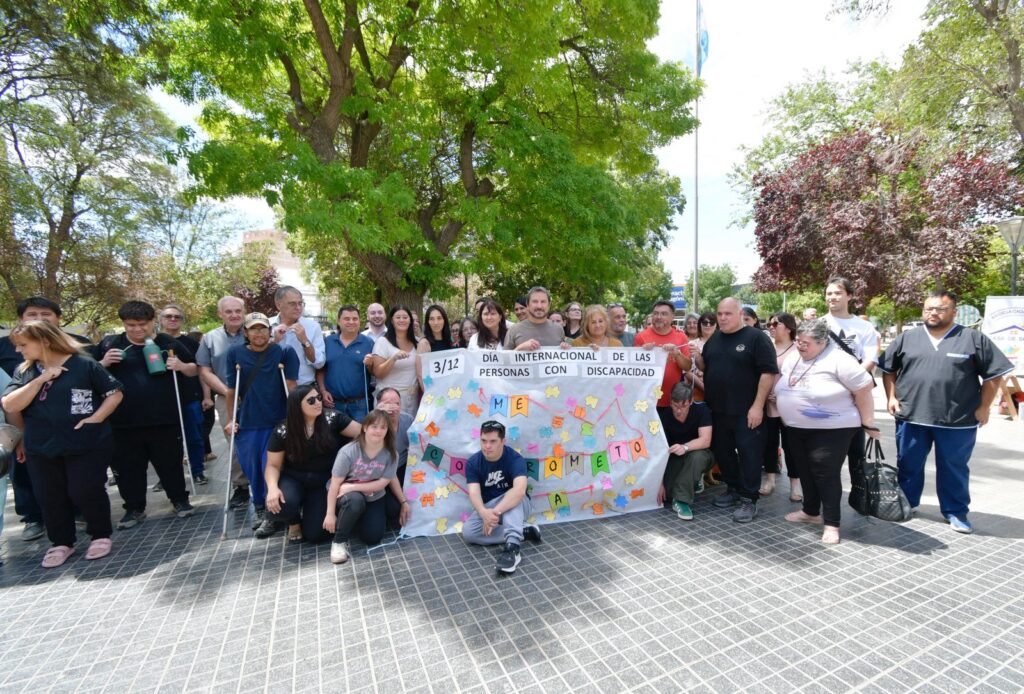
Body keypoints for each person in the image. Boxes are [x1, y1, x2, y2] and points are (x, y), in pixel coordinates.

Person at [877, 290, 1013, 534]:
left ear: (953, 311)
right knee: (908, 464)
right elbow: (888, 369)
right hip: (912, 415)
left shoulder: (972, 338)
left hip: (958, 419)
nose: (933, 313)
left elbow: (994, 375)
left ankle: (956, 512)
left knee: (954, 467)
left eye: (940, 309)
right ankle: (908, 503)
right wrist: (891, 397)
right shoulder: (908, 338)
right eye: (928, 309)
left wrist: (984, 407)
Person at [2, 322, 123, 567]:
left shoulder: (83, 364)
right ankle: (61, 542)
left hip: (85, 442)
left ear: (44, 340)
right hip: (41, 446)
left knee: (85, 489)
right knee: (49, 495)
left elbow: (115, 393)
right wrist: (41, 379)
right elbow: (10, 405)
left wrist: (96, 418)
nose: (19, 351)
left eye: (24, 345)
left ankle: (100, 534)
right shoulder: (25, 371)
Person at [93, 301, 197, 528]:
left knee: (170, 463)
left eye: (143, 324)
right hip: (122, 422)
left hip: (164, 418)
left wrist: (180, 365)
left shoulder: (167, 343)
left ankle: (179, 500)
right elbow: (89, 375)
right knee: (128, 467)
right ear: (123, 324)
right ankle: (134, 508)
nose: (138, 330)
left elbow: (193, 369)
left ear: (152, 322)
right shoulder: (111, 344)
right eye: (131, 325)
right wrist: (103, 363)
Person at [774, 319, 878, 544]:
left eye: (806, 343)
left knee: (825, 473)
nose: (800, 346)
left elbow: (863, 390)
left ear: (823, 343)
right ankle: (810, 512)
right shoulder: (794, 357)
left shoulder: (840, 359)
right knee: (805, 470)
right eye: (799, 341)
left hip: (833, 429)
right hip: (796, 427)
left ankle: (832, 523)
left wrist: (869, 422)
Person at [0, 296, 91, 542]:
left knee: (76, 470)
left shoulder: (80, 344)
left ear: (58, 319)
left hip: (70, 420)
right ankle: (33, 518)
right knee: (25, 470)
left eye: (46, 314)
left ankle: (81, 511)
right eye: (32, 314)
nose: (39, 319)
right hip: (22, 420)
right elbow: (8, 398)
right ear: (21, 319)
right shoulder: (5, 347)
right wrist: (18, 436)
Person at [699, 298, 778, 523]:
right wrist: (697, 358)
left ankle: (748, 499)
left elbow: (768, 373)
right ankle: (733, 488)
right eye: (719, 314)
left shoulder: (757, 338)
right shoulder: (715, 338)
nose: (722, 318)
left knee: (749, 455)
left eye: (727, 314)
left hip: (746, 412)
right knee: (724, 453)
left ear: (740, 313)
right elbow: (708, 365)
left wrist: (757, 406)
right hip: (718, 410)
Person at [224, 312, 299, 529]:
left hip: (277, 420)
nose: (259, 333)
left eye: (263, 328)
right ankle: (259, 506)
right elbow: (231, 390)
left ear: (270, 330)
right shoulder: (234, 354)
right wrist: (231, 419)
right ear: (245, 332)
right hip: (248, 421)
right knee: (253, 469)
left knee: (272, 468)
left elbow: (292, 386)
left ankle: (272, 514)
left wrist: (294, 419)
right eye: (253, 328)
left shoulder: (284, 352)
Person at [258, 383, 361, 541]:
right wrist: (272, 488)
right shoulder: (283, 430)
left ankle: (311, 510)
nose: (318, 402)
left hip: (323, 481)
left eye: (318, 398)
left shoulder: (333, 418)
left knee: (316, 536)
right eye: (311, 401)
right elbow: (273, 465)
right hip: (294, 478)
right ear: (297, 407)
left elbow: (363, 433)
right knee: (280, 506)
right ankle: (293, 522)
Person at [462, 420, 541, 573]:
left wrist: (495, 513)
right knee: (469, 532)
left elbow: (519, 490)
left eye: (493, 441)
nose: (487, 446)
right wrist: (484, 513)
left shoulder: (515, 459)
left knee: (512, 498)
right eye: (484, 441)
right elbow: (474, 492)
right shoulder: (473, 462)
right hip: (491, 507)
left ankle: (512, 549)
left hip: (518, 504)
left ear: (503, 441)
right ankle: (524, 531)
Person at [823, 277, 879, 487]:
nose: (832, 297)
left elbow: (871, 359)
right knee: (826, 453)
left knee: (856, 450)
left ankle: (859, 494)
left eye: (837, 293)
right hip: (826, 397)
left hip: (855, 396)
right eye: (829, 293)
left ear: (849, 296)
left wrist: (851, 383)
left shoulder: (863, 327)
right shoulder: (819, 324)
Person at [324, 409, 399, 564]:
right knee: (355, 501)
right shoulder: (348, 451)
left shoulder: (391, 453)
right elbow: (335, 484)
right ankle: (338, 542)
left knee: (373, 537)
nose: (378, 431)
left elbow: (383, 482)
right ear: (365, 427)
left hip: (370, 494)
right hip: (345, 494)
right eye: (374, 426)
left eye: (383, 427)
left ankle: (354, 519)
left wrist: (352, 487)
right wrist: (330, 513)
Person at [197, 296, 250, 509]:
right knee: (235, 443)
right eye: (229, 311)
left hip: (257, 397)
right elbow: (204, 370)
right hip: (225, 397)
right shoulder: (209, 339)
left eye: (238, 310)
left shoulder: (256, 332)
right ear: (220, 314)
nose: (234, 315)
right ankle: (241, 487)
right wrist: (229, 392)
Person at [159, 304, 208, 485]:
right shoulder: (151, 342)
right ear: (161, 319)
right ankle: (168, 476)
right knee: (166, 443)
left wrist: (207, 395)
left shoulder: (191, 344)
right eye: (168, 316)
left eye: (177, 317)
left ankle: (198, 470)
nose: (173, 319)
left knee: (194, 437)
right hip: (162, 401)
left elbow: (202, 370)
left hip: (189, 397)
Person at [656, 381, 714, 521]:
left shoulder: (701, 410)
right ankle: (691, 482)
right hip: (674, 457)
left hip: (700, 453)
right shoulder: (664, 415)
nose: (679, 410)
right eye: (675, 405)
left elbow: (705, 440)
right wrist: (659, 483)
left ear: (691, 401)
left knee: (697, 457)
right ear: (670, 401)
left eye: (684, 406)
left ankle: (682, 501)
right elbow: (658, 451)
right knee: (668, 495)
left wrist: (685, 447)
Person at [634, 300, 692, 428]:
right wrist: (643, 353)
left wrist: (677, 353)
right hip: (647, 400)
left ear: (672, 317)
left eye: (664, 314)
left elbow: (687, 367)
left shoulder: (681, 337)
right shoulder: (641, 337)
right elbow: (634, 371)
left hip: (672, 401)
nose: (659, 317)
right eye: (656, 313)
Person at [762, 312, 801, 500]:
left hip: (789, 406)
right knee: (769, 444)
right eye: (769, 323)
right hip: (766, 405)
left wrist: (781, 395)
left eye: (775, 323)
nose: (771, 326)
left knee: (791, 446)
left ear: (788, 327)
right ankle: (770, 479)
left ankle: (795, 484)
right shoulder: (766, 347)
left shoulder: (798, 350)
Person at [317, 305, 375, 422]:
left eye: (355, 319)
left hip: (360, 404)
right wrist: (323, 391)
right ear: (339, 321)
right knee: (331, 438)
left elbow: (374, 373)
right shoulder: (328, 341)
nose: (351, 322)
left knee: (360, 437)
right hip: (332, 403)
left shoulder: (369, 343)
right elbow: (320, 369)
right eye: (346, 318)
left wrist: (369, 365)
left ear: (359, 321)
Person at [370, 305, 420, 416]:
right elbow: (378, 373)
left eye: (405, 317)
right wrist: (393, 359)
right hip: (389, 400)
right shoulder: (382, 342)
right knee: (391, 432)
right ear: (392, 321)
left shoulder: (418, 342)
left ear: (410, 320)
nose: (402, 320)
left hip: (413, 399)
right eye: (398, 317)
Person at [270, 286, 326, 386]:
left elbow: (319, 363)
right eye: (292, 304)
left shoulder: (313, 327)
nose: (298, 307)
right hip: (273, 389)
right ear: (278, 305)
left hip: (303, 391)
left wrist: (305, 341)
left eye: (300, 303)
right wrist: (273, 342)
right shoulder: (266, 325)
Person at [376, 387, 414, 529]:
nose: (392, 408)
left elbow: (418, 447)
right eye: (387, 403)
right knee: (392, 509)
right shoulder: (373, 424)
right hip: (380, 473)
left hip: (401, 468)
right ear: (378, 405)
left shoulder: (408, 420)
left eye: (396, 403)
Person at [504, 287, 569, 351]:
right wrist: (519, 348)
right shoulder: (514, 330)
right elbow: (504, 360)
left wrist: (565, 349)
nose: (539, 306)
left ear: (549, 305)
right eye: (535, 302)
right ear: (527, 304)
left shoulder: (558, 328)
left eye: (543, 302)